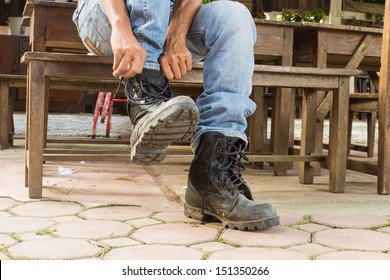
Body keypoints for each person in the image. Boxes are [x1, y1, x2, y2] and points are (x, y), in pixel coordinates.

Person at [73, 0, 279, 231]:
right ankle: (145, 101)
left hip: (166, 19)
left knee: (235, 16)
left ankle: (210, 176)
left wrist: (176, 36)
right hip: (107, 15)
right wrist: (121, 26)